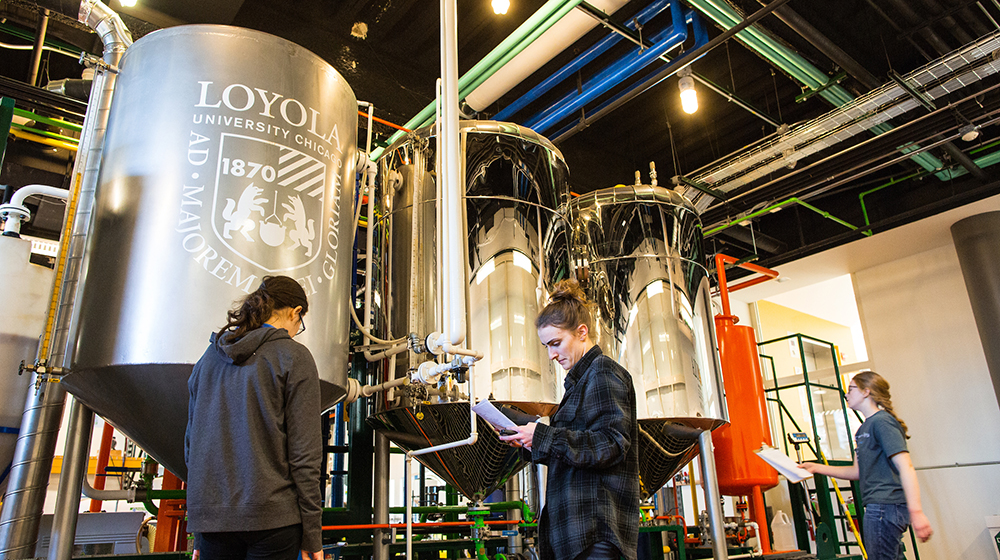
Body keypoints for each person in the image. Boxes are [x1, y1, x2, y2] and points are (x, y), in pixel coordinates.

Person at [500, 279, 640, 560]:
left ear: (582, 332)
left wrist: (542, 436)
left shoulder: (602, 373)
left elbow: (610, 444)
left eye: (556, 343)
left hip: (595, 534)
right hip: (576, 536)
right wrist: (529, 441)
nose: (551, 355)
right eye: (546, 346)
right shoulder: (578, 384)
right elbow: (576, 451)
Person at [185, 276, 323, 560]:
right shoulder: (293, 357)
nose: (298, 332)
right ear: (294, 312)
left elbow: (193, 449)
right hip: (273, 521)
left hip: (214, 525)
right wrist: (312, 537)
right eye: (300, 323)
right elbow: (305, 457)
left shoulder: (207, 360)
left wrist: (201, 531)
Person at [800, 371, 933, 560]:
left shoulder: (882, 422)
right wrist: (816, 468)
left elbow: (906, 467)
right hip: (877, 506)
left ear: (866, 392)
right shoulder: (863, 429)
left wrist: (917, 512)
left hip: (885, 506)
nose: (846, 394)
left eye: (851, 389)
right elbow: (857, 471)